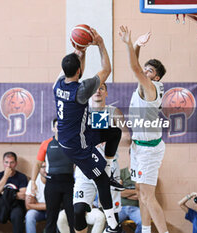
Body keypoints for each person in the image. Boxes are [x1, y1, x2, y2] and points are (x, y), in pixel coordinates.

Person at [53, 27, 122, 232]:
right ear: (79, 72)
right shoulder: (81, 91)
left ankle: (108, 167)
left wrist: (80, 50)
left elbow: (75, 69)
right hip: (77, 144)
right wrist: (100, 44)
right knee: (100, 178)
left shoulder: (57, 84)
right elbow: (107, 69)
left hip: (76, 134)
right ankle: (112, 224)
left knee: (114, 133)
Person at [119, 26, 168, 233]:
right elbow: (136, 67)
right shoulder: (143, 85)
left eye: (150, 71)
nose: (145, 72)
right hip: (139, 148)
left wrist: (132, 44)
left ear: (156, 78)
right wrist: (137, 47)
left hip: (149, 149)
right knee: (140, 192)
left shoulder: (151, 88)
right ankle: (146, 231)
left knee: (148, 195)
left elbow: (134, 68)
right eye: (145, 69)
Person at [72, 82, 130, 233]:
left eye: (101, 88)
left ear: (106, 93)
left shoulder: (114, 111)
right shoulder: (82, 112)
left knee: (112, 214)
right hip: (86, 166)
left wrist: (108, 136)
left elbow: (127, 138)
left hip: (108, 167)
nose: (98, 91)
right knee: (78, 211)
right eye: (95, 89)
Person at [32, 118, 75, 233]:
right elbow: (37, 164)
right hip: (52, 184)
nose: (59, 128)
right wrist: (32, 182)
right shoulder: (46, 144)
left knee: (73, 218)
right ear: (53, 128)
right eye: (57, 126)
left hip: (69, 184)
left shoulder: (72, 143)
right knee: (51, 218)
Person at [25, 161, 47, 233]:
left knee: (57, 215)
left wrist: (35, 203)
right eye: (43, 167)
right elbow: (28, 205)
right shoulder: (33, 182)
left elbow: (56, 205)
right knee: (30, 215)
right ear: (39, 169)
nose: (45, 169)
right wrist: (47, 205)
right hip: (38, 211)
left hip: (52, 211)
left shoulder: (56, 181)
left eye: (47, 167)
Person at [119, 166, 142, 233]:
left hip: (136, 208)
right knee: (112, 223)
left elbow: (142, 194)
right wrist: (137, 191)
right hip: (121, 208)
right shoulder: (121, 173)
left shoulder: (142, 173)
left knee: (143, 222)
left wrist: (125, 193)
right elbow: (119, 193)